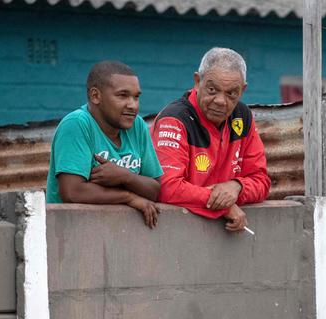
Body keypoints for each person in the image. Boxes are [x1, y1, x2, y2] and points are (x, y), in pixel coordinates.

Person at [151, 47, 270, 232]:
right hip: (172, 233)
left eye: (232, 93)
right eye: (212, 90)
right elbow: (167, 187)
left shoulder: (242, 117)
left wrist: (237, 186)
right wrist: (223, 203)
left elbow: (261, 180)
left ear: (243, 90)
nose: (221, 101)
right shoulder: (174, 119)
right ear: (197, 82)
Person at [46, 60, 163, 228]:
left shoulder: (137, 126)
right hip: (69, 234)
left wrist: (125, 176)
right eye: (122, 95)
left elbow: (154, 189)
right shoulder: (76, 124)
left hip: (118, 235)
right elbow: (73, 192)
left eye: (136, 97)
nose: (133, 105)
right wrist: (129, 197)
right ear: (95, 96)